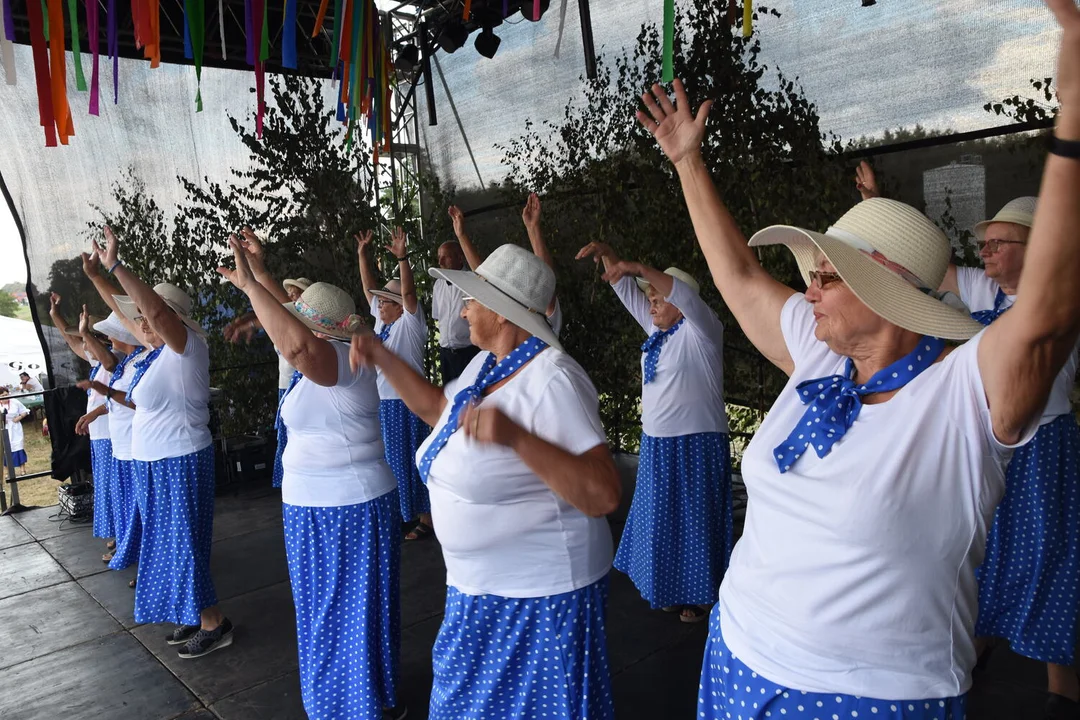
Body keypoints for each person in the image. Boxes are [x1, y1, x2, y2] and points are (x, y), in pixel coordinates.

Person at [634, 0, 1080, 713]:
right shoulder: (821, 354)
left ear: (891, 293)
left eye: (827, 274)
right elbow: (739, 276)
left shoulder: (964, 392)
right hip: (735, 657)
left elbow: (1051, 312)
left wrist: (1075, 114)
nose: (808, 289)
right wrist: (688, 162)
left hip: (865, 699)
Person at [350, 243, 621, 720]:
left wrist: (516, 437)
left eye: (474, 298)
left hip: (541, 600)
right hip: (482, 593)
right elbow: (439, 409)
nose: (465, 306)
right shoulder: (487, 366)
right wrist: (380, 356)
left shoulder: (555, 378)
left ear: (504, 312)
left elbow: (603, 492)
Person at [857, 175, 1080, 714]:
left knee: (1048, 556)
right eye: (987, 244)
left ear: (1037, 246)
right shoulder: (985, 290)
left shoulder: (1065, 300)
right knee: (979, 548)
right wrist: (876, 208)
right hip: (983, 438)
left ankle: (1062, 691)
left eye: (999, 242)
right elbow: (930, 267)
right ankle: (974, 650)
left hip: (1043, 448)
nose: (987, 251)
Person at [219, 235, 404, 720]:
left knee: (341, 614)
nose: (290, 316)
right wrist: (257, 273)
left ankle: (354, 707)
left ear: (320, 328)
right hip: (328, 506)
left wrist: (248, 288)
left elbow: (297, 343)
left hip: (345, 507)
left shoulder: (340, 361)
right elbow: (292, 323)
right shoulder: (330, 355)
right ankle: (365, 702)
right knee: (339, 612)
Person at [575, 243, 733, 624]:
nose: (652, 303)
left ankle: (698, 597)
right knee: (663, 519)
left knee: (693, 521)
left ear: (682, 302)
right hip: (658, 441)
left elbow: (682, 296)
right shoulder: (657, 331)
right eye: (651, 297)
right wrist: (611, 258)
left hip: (696, 441)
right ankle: (670, 588)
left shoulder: (703, 331)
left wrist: (640, 264)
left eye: (659, 297)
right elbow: (627, 292)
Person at [95, 226, 233, 659]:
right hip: (156, 462)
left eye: (147, 315)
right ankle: (196, 615)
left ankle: (214, 624)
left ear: (167, 317)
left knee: (185, 545)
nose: (140, 322)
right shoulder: (153, 355)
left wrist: (116, 265)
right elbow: (133, 321)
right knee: (170, 545)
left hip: (180, 459)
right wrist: (102, 277)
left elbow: (154, 315)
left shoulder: (185, 347)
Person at [221, 229, 313, 489]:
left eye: (298, 292)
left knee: (301, 450)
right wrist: (249, 322)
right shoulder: (289, 317)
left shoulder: (307, 318)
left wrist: (256, 269)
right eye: (292, 292)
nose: (293, 295)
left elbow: (280, 306)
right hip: (287, 386)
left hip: (303, 387)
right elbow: (270, 312)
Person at [357, 227, 432, 538]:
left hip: (408, 402)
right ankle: (407, 516)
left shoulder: (410, 323)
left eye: (387, 303)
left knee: (411, 460)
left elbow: (410, 294)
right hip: (386, 403)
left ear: (399, 305)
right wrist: (362, 255)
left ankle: (424, 520)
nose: (380, 306)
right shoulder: (383, 323)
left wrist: (403, 258)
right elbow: (368, 288)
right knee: (394, 462)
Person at [53, 297, 122, 551]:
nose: (83, 345)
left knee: (115, 489)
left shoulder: (113, 361)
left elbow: (124, 398)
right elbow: (71, 341)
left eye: (87, 340)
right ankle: (119, 536)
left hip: (111, 437)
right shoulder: (97, 364)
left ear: (99, 340)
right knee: (107, 487)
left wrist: (93, 414)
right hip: (101, 437)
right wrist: (55, 315)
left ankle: (123, 538)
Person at [448, 193, 565, 336]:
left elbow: (545, 284)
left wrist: (533, 228)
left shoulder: (539, 328)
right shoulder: (491, 354)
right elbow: (483, 277)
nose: (464, 313)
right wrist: (461, 235)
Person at [430, 240, 479, 383]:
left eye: (446, 257)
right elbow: (439, 317)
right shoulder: (438, 284)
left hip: (468, 352)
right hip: (446, 354)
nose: (440, 261)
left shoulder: (471, 281)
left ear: (459, 257)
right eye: (439, 257)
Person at [0, 386, 30, 473]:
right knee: (5, 448)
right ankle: (7, 470)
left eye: (7, 394)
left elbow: (25, 411)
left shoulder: (14, 402)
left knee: (18, 446)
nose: (6, 397)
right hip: (3, 427)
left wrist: (19, 417)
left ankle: (22, 469)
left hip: (15, 427)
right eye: (3, 395)